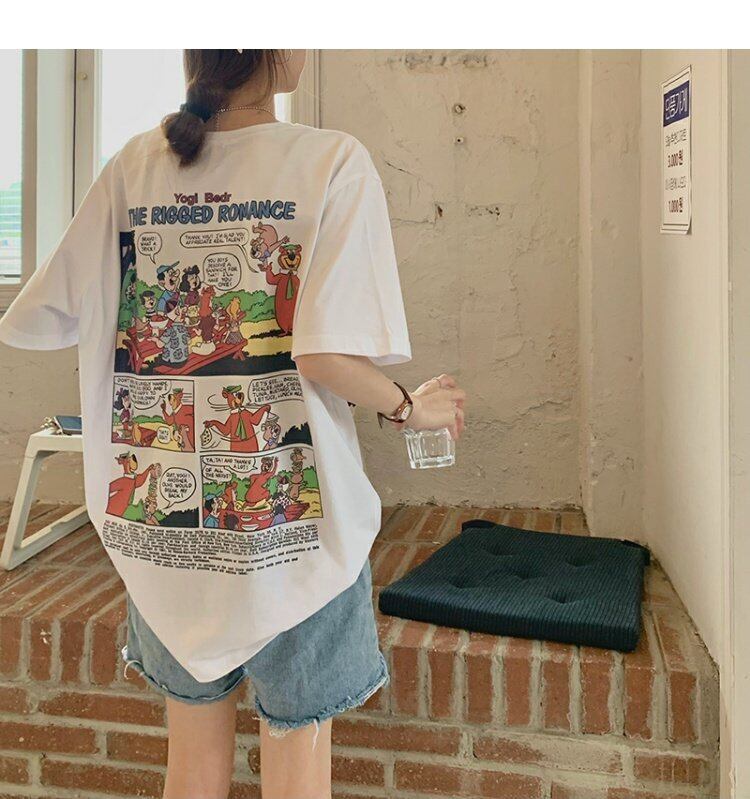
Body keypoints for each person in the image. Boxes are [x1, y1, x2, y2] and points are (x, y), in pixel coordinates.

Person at [0, 50, 465, 799]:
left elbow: (42, 314)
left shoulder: (133, 165)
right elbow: (323, 354)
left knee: (190, 766)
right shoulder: (330, 161)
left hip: (165, 539)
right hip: (295, 540)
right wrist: (411, 406)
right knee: (296, 766)